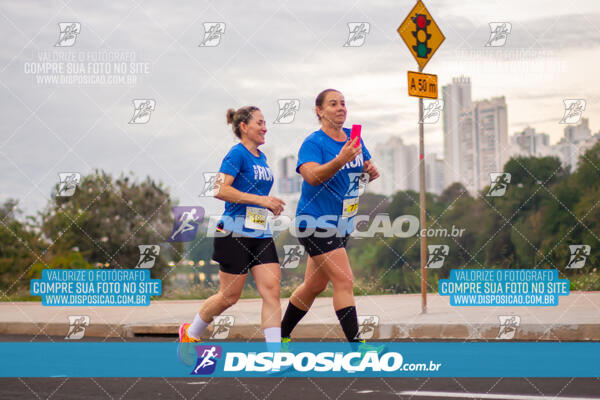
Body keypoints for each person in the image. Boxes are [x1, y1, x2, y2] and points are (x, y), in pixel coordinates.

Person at [178, 106, 286, 358]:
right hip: (233, 233)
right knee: (228, 297)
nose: (265, 127)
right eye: (259, 123)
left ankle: (274, 356)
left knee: (272, 291)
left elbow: (255, 194)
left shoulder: (261, 157)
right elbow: (219, 189)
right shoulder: (236, 154)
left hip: (260, 233)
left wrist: (268, 203)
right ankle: (191, 331)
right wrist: (262, 201)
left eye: (265, 122)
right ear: (243, 127)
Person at [280, 88, 380, 345]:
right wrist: (340, 159)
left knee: (313, 287)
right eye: (333, 104)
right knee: (345, 281)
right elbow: (312, 176)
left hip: (341, 223)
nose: (340, 108)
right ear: (320, 111)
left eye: (343, 103)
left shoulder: (353, 138)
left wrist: (369, 170)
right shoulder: (314, 143)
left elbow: (362, 172)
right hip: (314, 221)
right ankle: (357, 349)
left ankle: (280, 337)